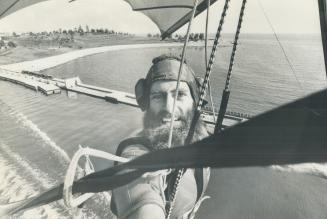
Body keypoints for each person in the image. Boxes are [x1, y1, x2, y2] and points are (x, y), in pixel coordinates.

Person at [111, 54, 210, 219]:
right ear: (147, 104)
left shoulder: (199, 135)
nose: (169, 109)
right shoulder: (135, 152)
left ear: (195, 100)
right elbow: (137, 190)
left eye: (179, 95)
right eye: (157, 96)